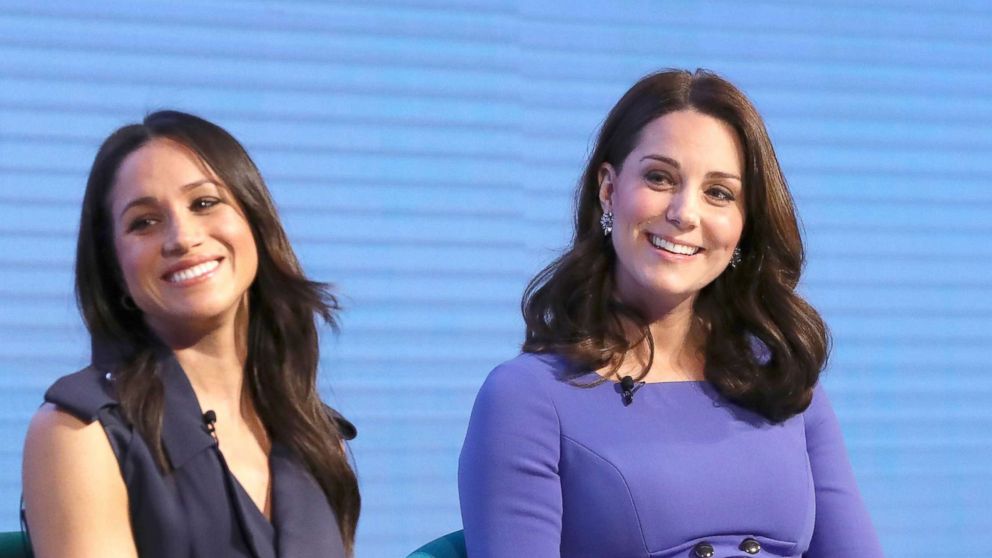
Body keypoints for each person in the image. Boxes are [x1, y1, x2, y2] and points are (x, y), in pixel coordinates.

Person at [458, 69, 884, 557]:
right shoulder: (527, 397)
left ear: (744, 224)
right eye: (660, 178)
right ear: (608, 189)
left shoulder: (782, 380)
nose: (685, 213)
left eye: (719, 192)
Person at [22, 110, 360, 558]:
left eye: (204, 203)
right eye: (143, 222)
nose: (181, 238)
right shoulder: (79, 433)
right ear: (115, 269)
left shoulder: (316, 435)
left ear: (254, 223)